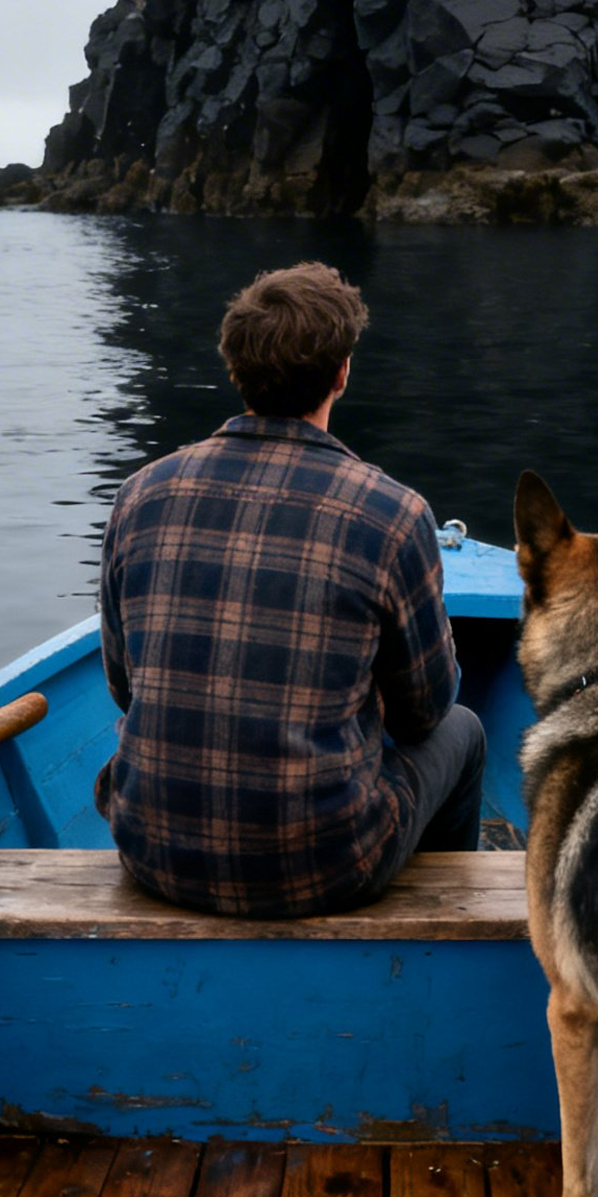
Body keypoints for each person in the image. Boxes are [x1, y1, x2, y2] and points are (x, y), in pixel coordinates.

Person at [94, 260, 484, 916]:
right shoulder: (391, 515)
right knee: (466, 732)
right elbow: (426, 711)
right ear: (342, 373)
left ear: (234, 369)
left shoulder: (139, 495)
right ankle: (443, 929)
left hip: (153, 850)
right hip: (323, 869)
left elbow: (125, 687)